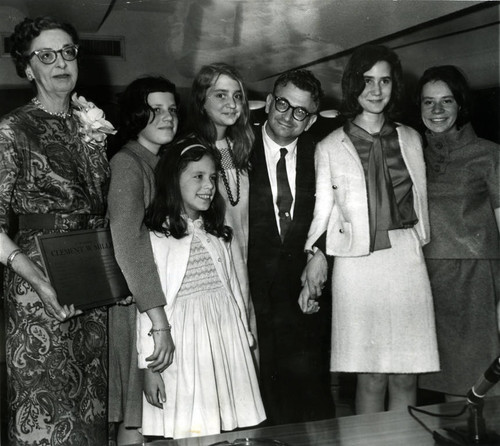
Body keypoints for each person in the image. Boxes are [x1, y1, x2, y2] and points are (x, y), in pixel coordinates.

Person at [302, 44, 439, 414]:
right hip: (357, 264)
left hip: (406, 258)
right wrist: (315, 255)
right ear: (352, 85)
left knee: (407, 374)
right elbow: (322, 212)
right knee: (371, 375)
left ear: (394, 86)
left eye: (385, 81)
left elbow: (422, 200)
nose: (376, 90)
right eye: (367, 81)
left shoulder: (411, 138)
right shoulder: (330, 145)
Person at [0, 16, 113, 444]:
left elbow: (98, 205)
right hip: (37, 281)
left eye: (68, 52)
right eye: (46, 56)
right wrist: (38, 281)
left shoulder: (87, 122)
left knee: (89, 406)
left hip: (87, 274)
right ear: (28, 68)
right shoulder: (13, 130)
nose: (60, 62)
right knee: (45, 404)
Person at [136, 137, 265, 438]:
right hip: (184, 344)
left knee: (229, 426)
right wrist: (149, 367)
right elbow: (147, 305)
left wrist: (243, 336)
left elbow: (234, 290)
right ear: (173, 180)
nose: (208, 185)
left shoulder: (218, 234)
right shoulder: (157, 236)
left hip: (224, 338)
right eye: (198, 176)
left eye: (212, 177)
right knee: (191, 428)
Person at [247, 69, 335, 425]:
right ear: (269, 103)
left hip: (302, 295)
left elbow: (342, 210)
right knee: (256, 401)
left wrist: (322, 253)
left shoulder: (322, 155)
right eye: (282, 103)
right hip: (250, 291)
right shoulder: (235, 150)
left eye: (301, 111)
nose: (288, 116)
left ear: (311, 119)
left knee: (308, 402)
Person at [416, 65, 500, 399]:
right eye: (428, 102)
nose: (437, 111)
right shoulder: (412, 154)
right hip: (427, 277)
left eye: (446, 101)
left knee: (481, 383)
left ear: (460, 105)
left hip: (475, 279)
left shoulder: (489, 154)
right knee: (445, 388)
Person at [107, 76, 178, 445]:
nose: (167, 117)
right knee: (136, 416)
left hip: (154, 303)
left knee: (158, 413)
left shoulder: (161, 162)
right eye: (155, 110)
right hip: (140, 307)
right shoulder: (128, 163)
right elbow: (129, 245)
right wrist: (159, 321)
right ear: (137, 116)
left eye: (171, 110)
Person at [186, 63, 257, 346]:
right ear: (202, 101)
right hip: (214, 269)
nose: (231, 104)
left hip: (246, 262)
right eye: (220, 95)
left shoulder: (242, 148)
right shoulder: (190, 150)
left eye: (237, 96)